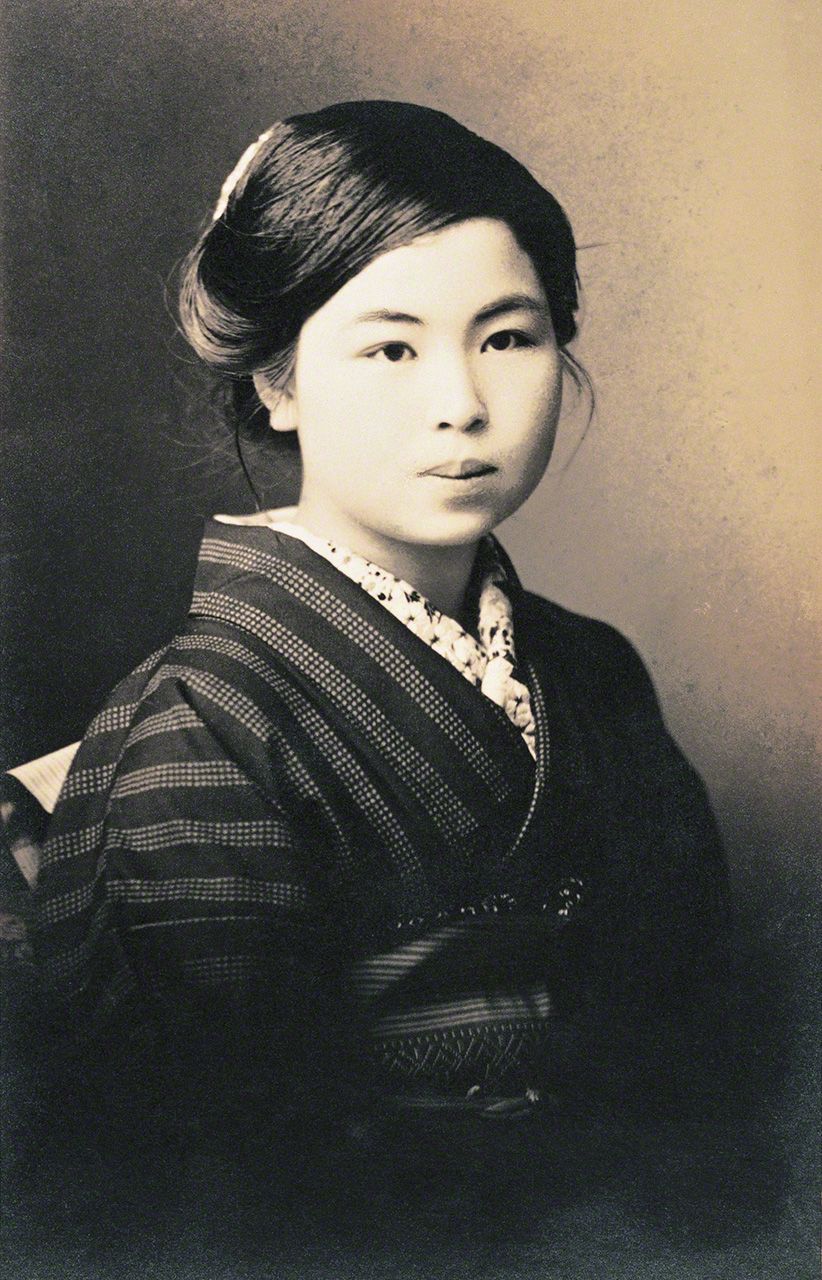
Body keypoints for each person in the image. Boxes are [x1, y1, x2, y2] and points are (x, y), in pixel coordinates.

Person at [30, 101, 730, 1195]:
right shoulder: (204, 725)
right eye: (392, 347)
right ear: (278, 380)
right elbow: (234, 1164)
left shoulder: (594, 672)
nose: (461, 404)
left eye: (508, 338)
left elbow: (692, 1041)